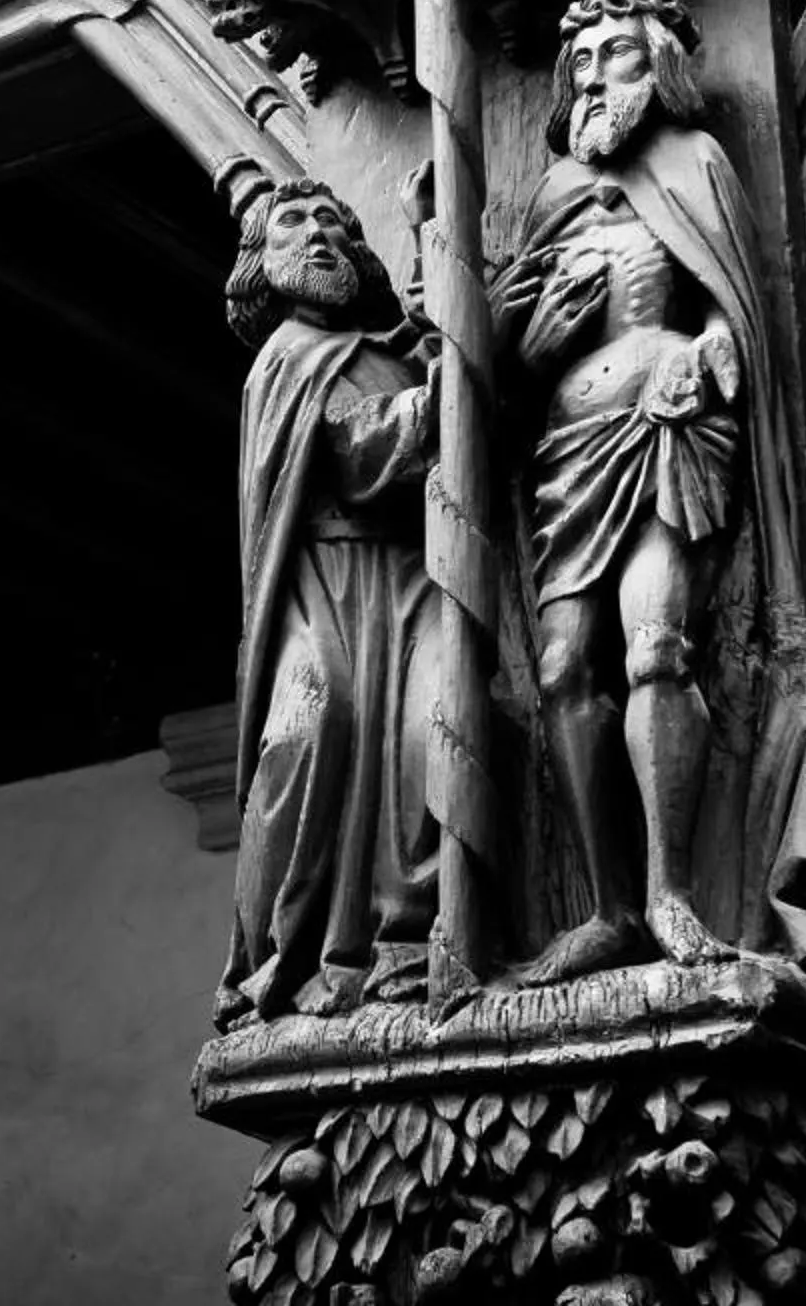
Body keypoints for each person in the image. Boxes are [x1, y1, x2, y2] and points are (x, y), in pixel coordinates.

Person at [496, 0, 779, 982]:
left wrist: (700, 352)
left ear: (657, 64)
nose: (596, 75)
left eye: (617, 55)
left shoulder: (696, 164)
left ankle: (670, 891)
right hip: (570, 451)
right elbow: (510, 355)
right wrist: (538, 331)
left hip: (665, 426)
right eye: (581, 63)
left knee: (658, 642)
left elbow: (731, 310)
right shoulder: (552, 196)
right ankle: (608, 908)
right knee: (569, 666)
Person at [217, 177, 491, 1026]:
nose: (322, 236)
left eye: (336, 222)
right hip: (325, 587)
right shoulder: (287, 357)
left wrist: (428, 238)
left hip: (409, 581)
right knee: (309, 730)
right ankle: (274, 964)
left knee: (431, 732)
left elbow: (428, 348)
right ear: (260, 261)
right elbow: (360, 449)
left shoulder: (391, 346)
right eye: (296, 224)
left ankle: (406, 943)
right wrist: (452, 390)